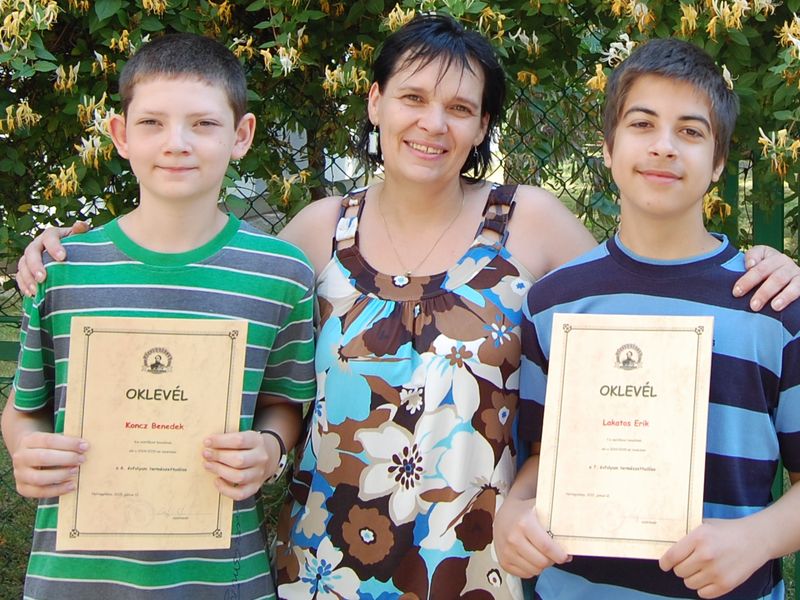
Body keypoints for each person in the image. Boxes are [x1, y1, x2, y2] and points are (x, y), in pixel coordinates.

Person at [14, 14, 800, 600]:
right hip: (326, 565)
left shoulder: (532, 223)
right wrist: (74, 246)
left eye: (460, 107)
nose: (433, 123)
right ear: (376, 102)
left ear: (482, 125)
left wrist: (767, 266)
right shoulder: (316, 231)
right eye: (413, 97)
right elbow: (219, 311)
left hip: (486, 567)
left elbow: (642, 289)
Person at [0, 33, 316, 599]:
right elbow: (25, 411)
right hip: (74, 582)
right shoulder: (63, 270)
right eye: (151, 123)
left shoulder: (282, 275)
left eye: (204, 123)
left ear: (241, 136)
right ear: (121, 135)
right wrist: (26, 450)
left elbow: (283, 402)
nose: (176, 143)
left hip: (222, 580)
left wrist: (269, 448)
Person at [494, 38, 800, 600]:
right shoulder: (552, 304)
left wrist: (757, 539)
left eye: (690, 131)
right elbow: (542, 456)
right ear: (607, 149)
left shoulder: (770, 304)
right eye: (642, 124)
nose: (664, 146)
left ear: (719, 162)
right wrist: (513, 511)